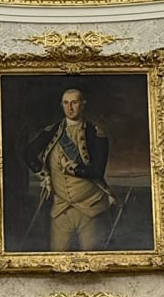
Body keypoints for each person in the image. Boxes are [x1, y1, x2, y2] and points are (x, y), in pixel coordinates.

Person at [24, 87, 114, 251]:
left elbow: (97, 171)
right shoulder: (52, 131)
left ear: (82, 104)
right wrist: (44, 176)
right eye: (66, 103)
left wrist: (74, 169)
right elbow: (29, 153)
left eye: (74, 103)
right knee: (57, 256)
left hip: (90, 208)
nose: (70, 108)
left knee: (92, 257)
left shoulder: (96, 134)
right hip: (60, 208)